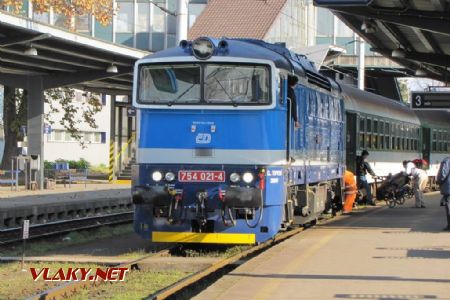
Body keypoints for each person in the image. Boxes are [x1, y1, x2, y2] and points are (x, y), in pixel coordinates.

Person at [436, 157, 450, 230]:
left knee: (449, 205)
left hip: (448, 187)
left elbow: (443, 174)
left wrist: (438, 181)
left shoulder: (447, 161)